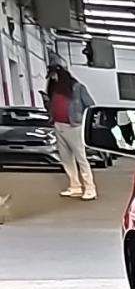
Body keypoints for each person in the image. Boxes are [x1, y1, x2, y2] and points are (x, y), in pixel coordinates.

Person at [45, 63, 96, 201]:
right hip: (58, 126)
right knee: (66, 159)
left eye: (54, 76)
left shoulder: (77, 88)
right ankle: (75, 187)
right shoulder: (54, 89)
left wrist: (83, 121)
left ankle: (90, 188)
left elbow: (90, 105)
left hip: (74, 127)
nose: (52, 79)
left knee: (81, 158)